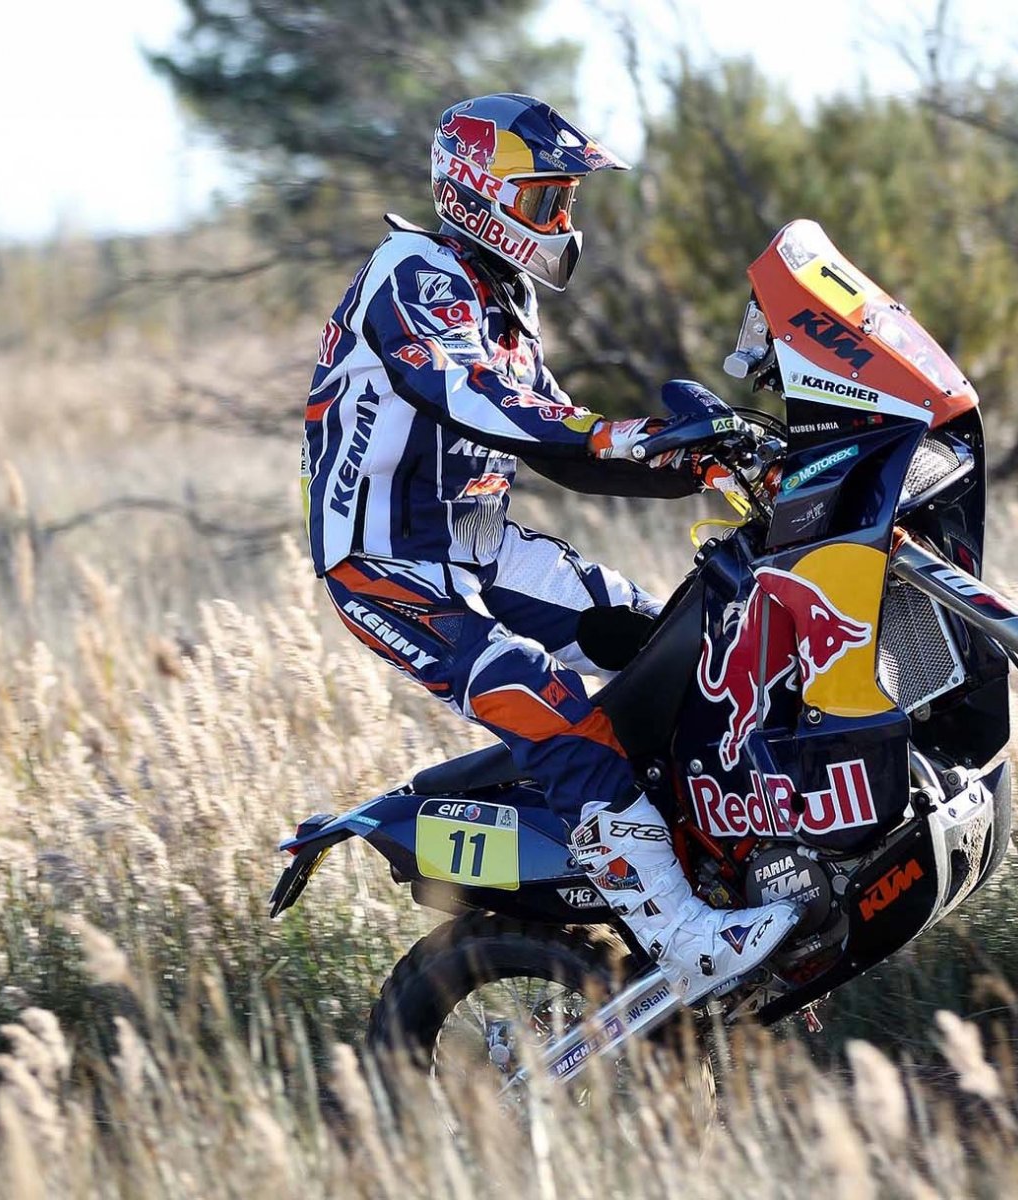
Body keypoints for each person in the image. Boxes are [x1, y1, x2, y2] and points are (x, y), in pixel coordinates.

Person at [301, 93, 795, 1000]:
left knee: (680, 651)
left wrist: (701, 462)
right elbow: (471, 397)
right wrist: (619, 434)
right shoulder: (415, 271)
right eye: (544, 199)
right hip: (388, 567)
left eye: (566, 200)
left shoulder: (504, 294)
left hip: (485, 549)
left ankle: (725, 872)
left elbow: (557, 447)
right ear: (476, 193)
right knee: (550, 704)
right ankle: (681, 935)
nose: (562, 220)